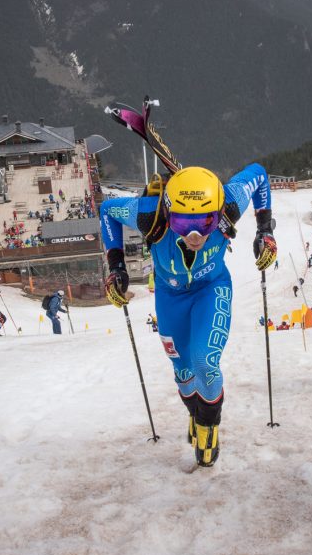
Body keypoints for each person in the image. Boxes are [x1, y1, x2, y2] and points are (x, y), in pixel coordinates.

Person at [100, 164, 276, 468]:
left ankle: (209, 428)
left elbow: (259, 175)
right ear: (168, 213)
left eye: (207, 223)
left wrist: (265, 231)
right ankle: (195, 416)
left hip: (211, 289)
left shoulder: (229, 202)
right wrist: (116, 266)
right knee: (183, 373)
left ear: (219, 213)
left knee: (204, 361)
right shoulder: (148, 213)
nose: (195, 235)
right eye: (183, 224)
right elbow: (107, 211)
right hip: (171, 298)